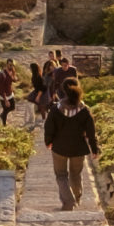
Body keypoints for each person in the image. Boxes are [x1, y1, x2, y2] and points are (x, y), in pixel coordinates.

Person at [42, 81, 100, 211]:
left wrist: (48, 141)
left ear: (64, 91)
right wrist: (94, 149)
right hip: (78, 148)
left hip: (59, 147)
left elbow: (49, 127)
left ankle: (68, 201)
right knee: (76, 174)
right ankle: (77, 198)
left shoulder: (56, 109)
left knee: (61, 175)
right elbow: (91, 132)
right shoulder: (84, 110)